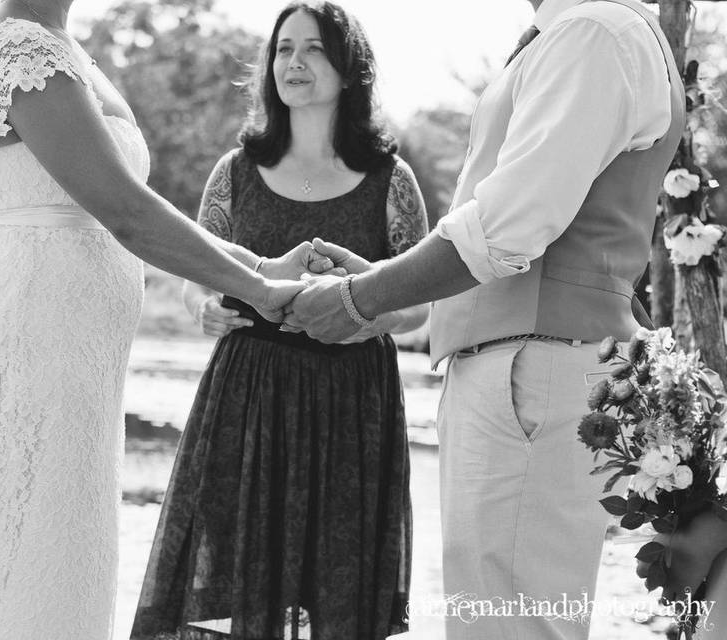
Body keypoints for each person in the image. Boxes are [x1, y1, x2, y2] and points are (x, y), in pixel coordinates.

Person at [0, 0, 309, 638]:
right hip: (27, 340)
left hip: (77, 359)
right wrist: (258, 287)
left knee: (56, 556)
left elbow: (124, 212)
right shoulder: (19, 47)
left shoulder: (66, 47)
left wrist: (260, 263)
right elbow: (123, 211)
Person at [283, 0, 686, 638]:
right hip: (529, 368)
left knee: (509, 625)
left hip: (530, 373)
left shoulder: (592, 33)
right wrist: (382, 292)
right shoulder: (583, 34)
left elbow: (507, 226)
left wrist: (363, 296)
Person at [130, 3, 428, 639]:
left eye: (315, 49)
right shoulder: (234, 173)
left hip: (355, 403)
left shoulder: (391, 181)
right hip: (249, 396)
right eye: (284, 48)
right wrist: (202, 307)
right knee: (238, 591)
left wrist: (367, 308)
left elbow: (420, 305)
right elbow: (194, 272)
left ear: (350, 71)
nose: (295, 62)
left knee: (337, 592)